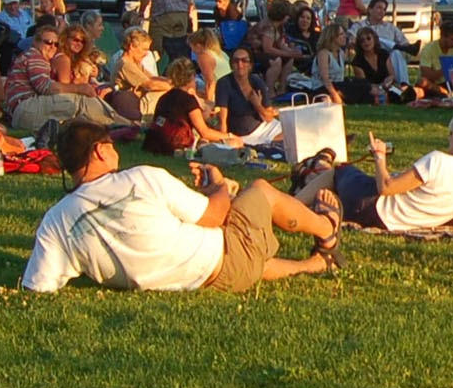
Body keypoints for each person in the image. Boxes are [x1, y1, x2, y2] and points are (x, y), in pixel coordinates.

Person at [22, 119, 343, 293]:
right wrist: (218, 187)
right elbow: (215, 215)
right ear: (99, 151)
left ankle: (313, 265)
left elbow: (38, 285)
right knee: (260, 191)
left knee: (231, 247)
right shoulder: (141, 179)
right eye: (111, 144)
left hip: (213, 281)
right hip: (225, 261)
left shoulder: (56, 221)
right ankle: (327, 229)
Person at [295, 116, 453, 234]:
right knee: (338, 185)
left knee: (339, 172)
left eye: (451, 134)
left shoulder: (438, 161)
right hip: (403, 222)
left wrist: (379, 157)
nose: (448, 138)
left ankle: (293, 201)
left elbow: (387, 188)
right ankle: (310, 174)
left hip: (374, 207)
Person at [5, 25, 127, 133]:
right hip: (26, 109)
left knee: (80, 107)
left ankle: (120, 123)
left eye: (56, 44)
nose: (52, 46)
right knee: (79, 100)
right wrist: (79, 88)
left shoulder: (34, 57)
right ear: (36, 42)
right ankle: (120, 124)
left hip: (24, 111)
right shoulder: (35, 57)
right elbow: (45, 87)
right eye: (48, 42)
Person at [146, 60, 243, 149]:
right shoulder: (189, 100)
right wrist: (230, 136)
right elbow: (205, 132)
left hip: (156, 141)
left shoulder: (164, 97)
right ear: (191, 77)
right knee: (233, 143)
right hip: (176, 143)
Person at [215, 52, 283, 146]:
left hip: (265, 126)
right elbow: (222, 119)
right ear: (231, 64)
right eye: (236, 61)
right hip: (245, 134)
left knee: (295, 131)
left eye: (244, 61)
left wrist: (257, 105)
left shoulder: (256, 80)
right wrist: (224, 141)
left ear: (250, 65)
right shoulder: (224, 83)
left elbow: (268, 117)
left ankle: (270, 142)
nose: (240, 64)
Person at [107, 29, 172, 120]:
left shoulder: (135, 63)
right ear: (132, 47)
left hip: (139, 99)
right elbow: (150, 85)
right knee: (168, 94)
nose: (146, 54)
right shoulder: (125, 64)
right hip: (132, 103)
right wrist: (175, 86)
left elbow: (154, 78)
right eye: (144, 49)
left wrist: (174, 82)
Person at [415, 20, 453, 95]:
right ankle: (445, 92)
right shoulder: (429, 49)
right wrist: (445, 69)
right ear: (443, 37)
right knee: (422, 82)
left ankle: (447, 93)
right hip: (433, 83)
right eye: (452, 39)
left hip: (451, 83)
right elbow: (426, 74)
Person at [349, 26, 408, 100]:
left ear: (374, 39)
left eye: (368, 38)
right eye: (362, 41)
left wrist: (388, 81)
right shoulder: (357, 61)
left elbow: (392, 75)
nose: (366, 42)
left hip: (387, 87)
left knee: (402, 95)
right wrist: (380, 87)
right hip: (370, 90)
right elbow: (364, 84)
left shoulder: (383, 54)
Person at [309, 20, 353, 104]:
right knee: (355, 88)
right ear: (333, 37)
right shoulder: (324, 53)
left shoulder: (341, 52)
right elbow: (325, 78)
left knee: (360, 83)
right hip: (324, 88)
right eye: (341, 34)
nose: (345, 37)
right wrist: (335, 95)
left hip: (339, 84)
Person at [190, 27, 233, 106]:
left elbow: (210, 82)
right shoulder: (220, 53)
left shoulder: (204, 56)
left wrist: (208, 104)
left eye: (192, 47)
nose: (192, 51)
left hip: (221, 92)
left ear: (198, 45)